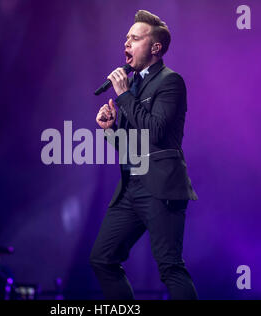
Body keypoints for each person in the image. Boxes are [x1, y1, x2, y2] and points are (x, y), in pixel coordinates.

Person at [90, 10, 199, 300]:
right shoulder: (134, 84)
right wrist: (109, 129)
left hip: (162, 187)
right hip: (130, 188)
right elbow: (131, 145)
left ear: (155, 48)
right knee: (103, 258)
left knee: (170, 268)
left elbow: (157, 133)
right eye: (126, 38)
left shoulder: (170, 81)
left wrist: (125, 96)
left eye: (135, 38)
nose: (126, 43)